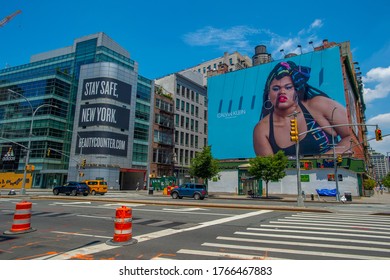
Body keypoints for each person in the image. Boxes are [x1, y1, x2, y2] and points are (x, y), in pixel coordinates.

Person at [253, 61, 351, 157]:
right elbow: (269, 168)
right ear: (268, 94)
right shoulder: (262, 129)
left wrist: (323, 160)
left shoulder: (319, 105)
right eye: (275, 88)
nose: (282, 92)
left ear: (297, 90)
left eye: (288, 87)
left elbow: (350, 136)